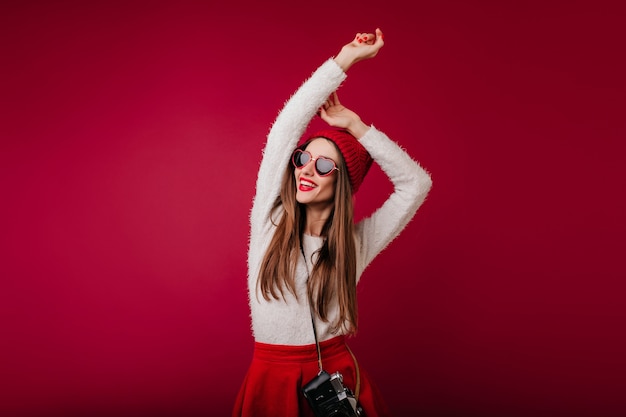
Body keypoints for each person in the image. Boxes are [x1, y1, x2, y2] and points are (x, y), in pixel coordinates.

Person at [232, 28, 432, 417]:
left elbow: (416, 184)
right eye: (303, 158)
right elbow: (283, 132)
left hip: (335, 379)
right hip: (271, 378)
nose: (307, 169)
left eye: (324, 166)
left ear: (342, 184)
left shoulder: (355, 244)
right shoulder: (269, 222)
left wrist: (358, 129)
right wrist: (343, 61)